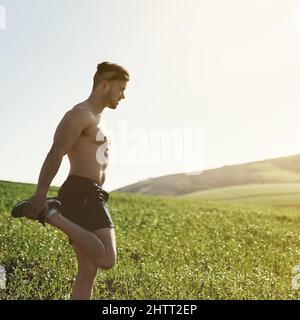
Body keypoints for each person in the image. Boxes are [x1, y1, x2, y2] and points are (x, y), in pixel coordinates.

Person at [21, 62, 129, 300]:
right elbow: (56, 152)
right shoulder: (80, 114)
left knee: (88, 270)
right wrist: (40, 195)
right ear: (103, 85)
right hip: (82, 192)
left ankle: (51, 212)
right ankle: (50, 213)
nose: (123, 96)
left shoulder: (97, 119)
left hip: (89, 192)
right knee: (106, 259)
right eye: (120, 89)